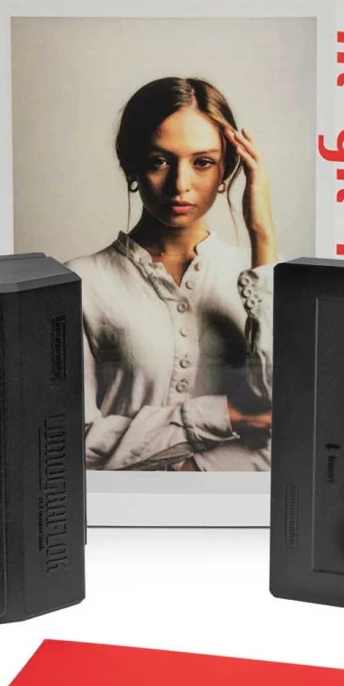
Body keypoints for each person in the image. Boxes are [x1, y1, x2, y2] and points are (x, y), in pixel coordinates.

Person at [66, 77, 278, 472]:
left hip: (238, 510)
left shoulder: (259, 280)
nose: (180, 184)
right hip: (122, 508)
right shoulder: (81, 283)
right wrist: (224, 416)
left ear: (227, 170)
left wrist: (262, 233)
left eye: (203, 162)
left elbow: (286, 415)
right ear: (131, 166)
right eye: (159, 161)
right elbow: (70, 442)